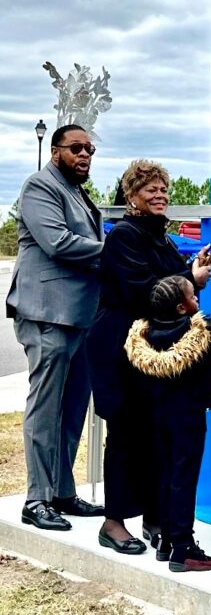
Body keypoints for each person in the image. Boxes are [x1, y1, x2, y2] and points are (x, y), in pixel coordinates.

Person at [87, 159, 211, 554]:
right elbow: (142, 290)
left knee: (156, 434)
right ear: (131, 196)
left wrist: (193, 274)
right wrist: (190, 278)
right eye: (150, 190)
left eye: (162, 190)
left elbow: (177, 294)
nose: (159, 196)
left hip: (147, 349)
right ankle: (114, 522)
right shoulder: (124, 235)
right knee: (125, 434)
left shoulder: (162, 236)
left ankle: (155, 518)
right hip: (117, 347)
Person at [7, 124, 105, 531]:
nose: (84, 155)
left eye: (90, 149)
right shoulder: (39, 187)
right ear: (55, 151)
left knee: (71, 410)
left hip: (81, 316)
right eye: (76, 148)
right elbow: (58, 243)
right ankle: (36, 499)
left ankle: (62, 492)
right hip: (48, 314)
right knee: (46, 409)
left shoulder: (78, 192)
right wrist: (118, 252)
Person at [125, 275, 211, 572]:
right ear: (180, 308)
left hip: (155, 415)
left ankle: (165, 539)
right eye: (193, 295)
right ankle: (183, 548)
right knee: (184, 478)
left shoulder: (143, 336)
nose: (197, 299)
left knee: (164, 474)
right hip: (187, 417)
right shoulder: (198, 335)